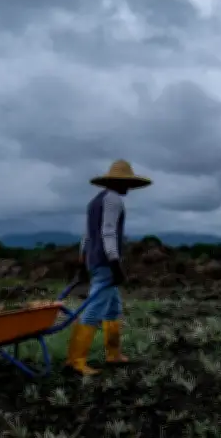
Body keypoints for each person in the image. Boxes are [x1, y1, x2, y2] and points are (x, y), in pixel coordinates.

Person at [64, 159, 152, 376]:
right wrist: (116, 264)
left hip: (94, 260)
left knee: (113, 309)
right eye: (126, 183)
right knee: (94, 309)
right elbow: (108, 232)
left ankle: (113, 354)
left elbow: (86, 236)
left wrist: (82, 261)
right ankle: (76, 360)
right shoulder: (113, 200)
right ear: (118, 182)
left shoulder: (94, 201)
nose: (128, 188)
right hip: (105, 262)